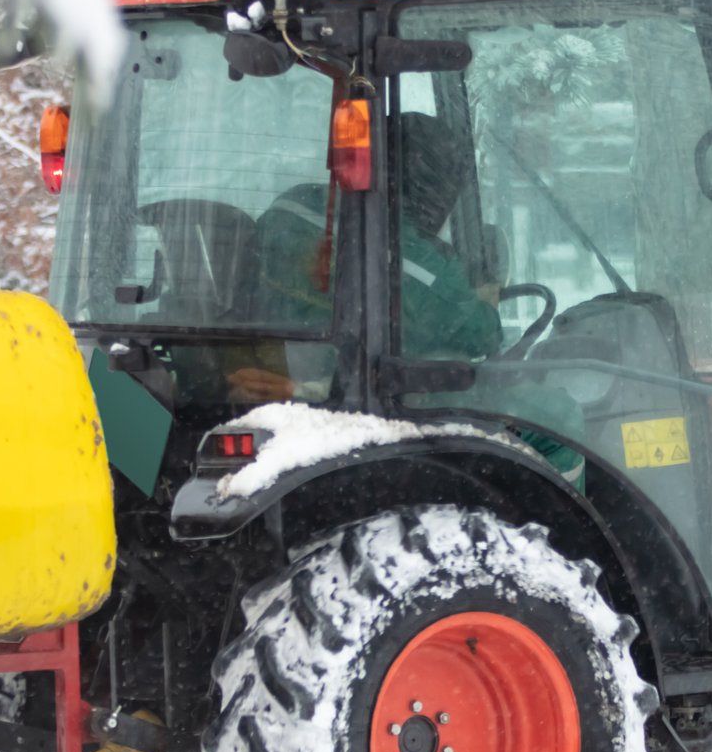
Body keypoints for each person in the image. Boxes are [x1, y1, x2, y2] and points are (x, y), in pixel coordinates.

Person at [229, 110, 586, 487]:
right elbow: (479, 337)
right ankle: (566, 536)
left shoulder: (293, 205)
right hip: (355, 398)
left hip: (291, 373)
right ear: (433, 187)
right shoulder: (409, 260)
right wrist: (481, 304)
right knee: (557, 416)